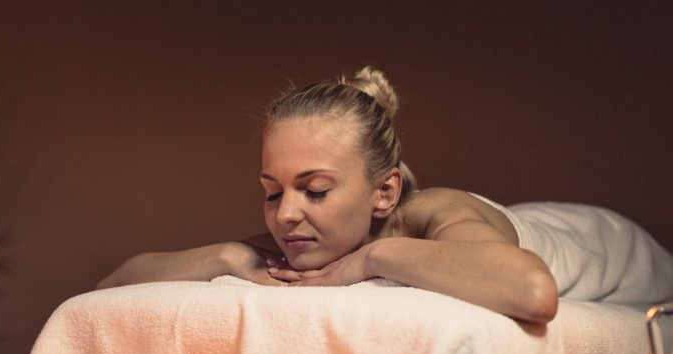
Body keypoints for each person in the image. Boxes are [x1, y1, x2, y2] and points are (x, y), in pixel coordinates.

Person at [98, 67, 673, 323]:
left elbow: (532, 289)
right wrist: (230, 255)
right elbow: (114, 284)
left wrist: (370, 259)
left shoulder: (436, 211)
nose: (286, 214)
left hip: (613, 246)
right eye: (272, 193)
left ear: (384, 192)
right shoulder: (312, 234)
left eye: (315, 189)